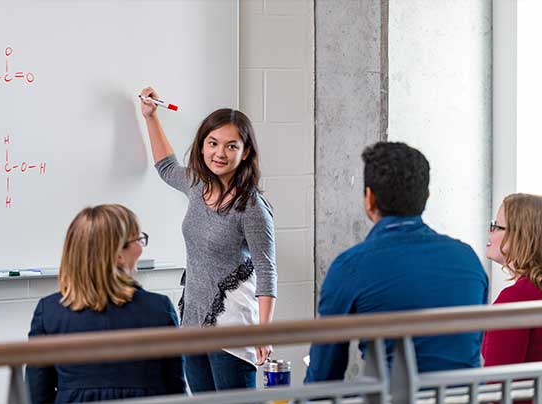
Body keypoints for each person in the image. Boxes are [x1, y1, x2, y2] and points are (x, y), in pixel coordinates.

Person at [305, 141, 488, 383]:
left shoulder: (350, 267)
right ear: (426, 197)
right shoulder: (468, 260)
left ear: (369, 198)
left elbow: (323, 377)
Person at [138, 87, 277, 392]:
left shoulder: (251, 207)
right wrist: (150, 117)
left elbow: (267, 271)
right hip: (193, 319)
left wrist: (264, 332)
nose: (220, 153)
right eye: (212, 143)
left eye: (231, 146)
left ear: (246, 152)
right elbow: (166, 168)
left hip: (231, 326)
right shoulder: (197, 185)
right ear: (202, 146)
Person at [26, 204, 185, 403]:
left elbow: (38, 393)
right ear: (118, 255)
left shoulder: (48, 312)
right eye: (138, 239)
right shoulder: (159, 308)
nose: (140, 248)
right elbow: (175, 390)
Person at [482, 193, 542, 366]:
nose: (490, 231)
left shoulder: (516, 298)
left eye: (496, 226)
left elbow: (498, 384)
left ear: (521, 236)